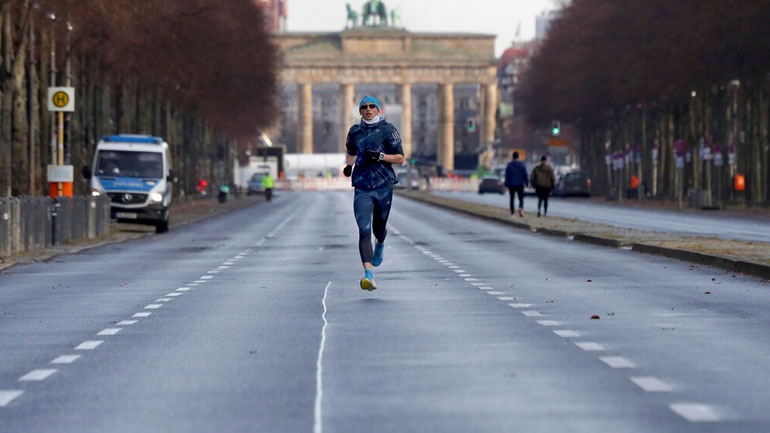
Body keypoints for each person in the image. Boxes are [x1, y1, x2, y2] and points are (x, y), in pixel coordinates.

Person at [342, 95, 405, 291]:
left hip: (383, 185)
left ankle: (381, 242)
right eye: (364, 107)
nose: (368, 109)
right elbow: (351, 151)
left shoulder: (388, 130)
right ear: (360, 111)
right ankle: (368, 274)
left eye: (372, 106)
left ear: (378, 110)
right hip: (362, 186)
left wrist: (381, 156)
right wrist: (348, 166)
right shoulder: (355, 131)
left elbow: (401, 158)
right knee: (363, 228)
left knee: (379, 228)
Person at [504, 151, 528, 217]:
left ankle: (512, 213)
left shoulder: (509, 165)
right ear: (518, 157)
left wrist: (506, 185)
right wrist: (526, 183)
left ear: (512, 157)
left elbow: (507, 175)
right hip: (520, 184)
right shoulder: (522, 165)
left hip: (511, 184)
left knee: (512, 199)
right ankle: (520, 208)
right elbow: (525, 175)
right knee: (521, 198)